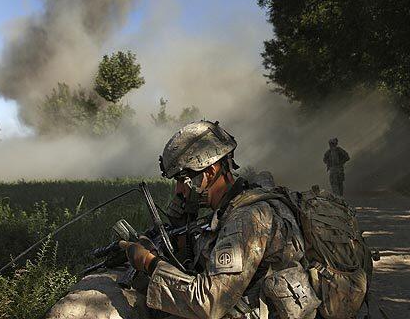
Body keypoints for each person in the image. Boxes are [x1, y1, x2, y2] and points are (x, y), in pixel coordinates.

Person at [120, 120, 320, 319]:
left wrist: (149, 262)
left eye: (182, 180)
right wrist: (180, 226)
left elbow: (209, 303)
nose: (179, 190)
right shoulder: (233, 206)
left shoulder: (246, 219)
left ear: (210, 172)